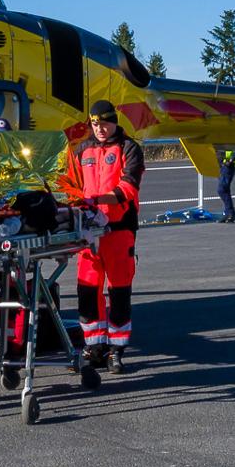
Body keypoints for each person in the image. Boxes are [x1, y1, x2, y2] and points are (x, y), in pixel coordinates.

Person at [65, 100, 144, 374]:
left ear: (114, 121)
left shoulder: (129, 148)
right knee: (88, 290)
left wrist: (97, 199)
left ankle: (116, 349)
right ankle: (94, 346)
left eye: (105, 123)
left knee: (119, 290)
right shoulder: (82, 149)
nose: (100, 129)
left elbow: (128, 187)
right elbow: (71, 184)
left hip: (118, 229)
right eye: (95, 124)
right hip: (88, 231)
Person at [215, 144, 235, 223]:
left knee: (222, 190)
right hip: (221, 167)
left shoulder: (229, 139)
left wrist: (231, 159)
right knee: (225, 191)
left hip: (227, 167)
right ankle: (229, 213)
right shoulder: (218, 140)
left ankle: (230, 213)